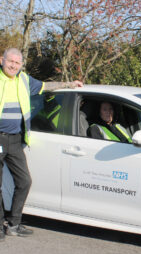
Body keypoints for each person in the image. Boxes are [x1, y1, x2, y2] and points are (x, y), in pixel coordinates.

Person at [0, 47, 83, 241]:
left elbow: (46, 86)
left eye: (17, 62)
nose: (13, 65)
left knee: (24, 181)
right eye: (10, 61)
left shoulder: (24, 80)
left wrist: (69, 84)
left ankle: (13, 224)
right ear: (2, 60)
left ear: (21, 65)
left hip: (15, 139)